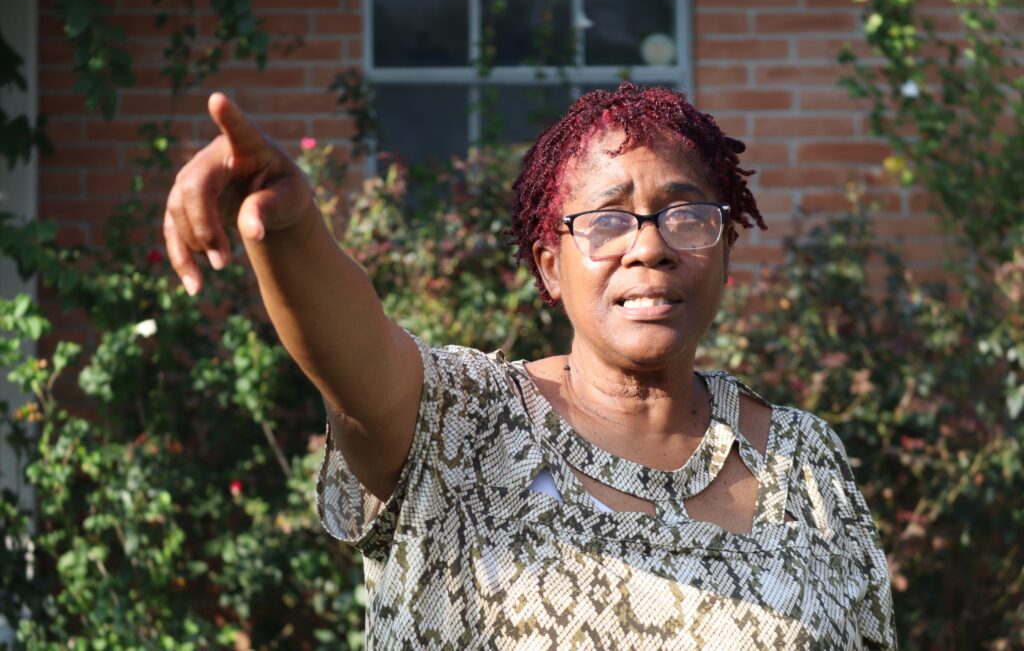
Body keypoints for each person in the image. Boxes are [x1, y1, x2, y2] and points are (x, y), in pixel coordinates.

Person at [164, 82, 896, 649]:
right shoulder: (462, 422)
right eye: (608, 220)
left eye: (686, 216)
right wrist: (288, 229)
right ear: (550, 266)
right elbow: (350, 350)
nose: (650, 246)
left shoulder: (803, 461)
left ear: (725, 253)